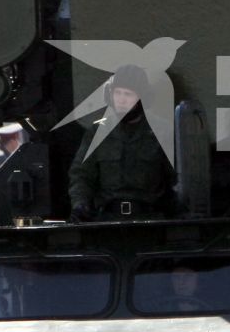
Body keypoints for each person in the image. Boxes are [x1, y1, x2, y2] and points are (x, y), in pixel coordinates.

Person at [69, 66, 173, 221]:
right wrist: (80, 204)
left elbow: (176, 179)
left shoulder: (162, 131)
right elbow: (81, 175)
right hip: (107, 218)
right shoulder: (97, 131)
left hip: (151, 218)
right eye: (117, 93)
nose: (121, 100)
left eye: (128, 94)